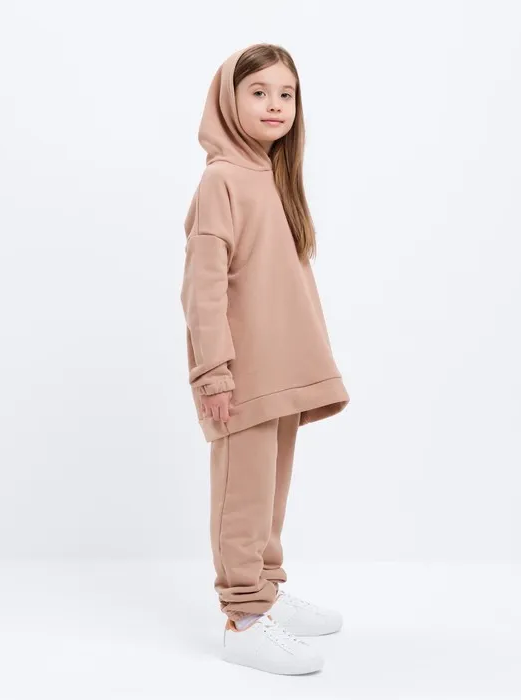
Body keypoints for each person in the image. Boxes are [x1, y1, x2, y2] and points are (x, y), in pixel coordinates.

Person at [180, 43, 350, 675]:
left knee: (271, 492)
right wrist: (213, 370)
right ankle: (243, 618)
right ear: (228, 101)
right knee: (242, 497)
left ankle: (266, 591)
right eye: (259, 92)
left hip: (279, 369)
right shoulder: (222, 179)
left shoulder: (273, 176)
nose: (275, 104)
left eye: (287, 93)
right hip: (241, 372)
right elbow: (202, 286)